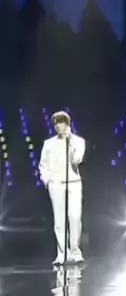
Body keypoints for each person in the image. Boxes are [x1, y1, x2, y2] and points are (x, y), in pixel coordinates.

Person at [38, 111, 86, 265]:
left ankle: (75, 252)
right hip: (56, 184)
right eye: (56, 123)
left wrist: (70, 140)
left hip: (74, 183)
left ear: (67, 124)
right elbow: (42, 165)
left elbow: (77, 159)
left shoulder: (78, 141)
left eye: (61, 122)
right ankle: (62, 254)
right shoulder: (48, 144)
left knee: (75, 218)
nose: (58, 126)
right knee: (59, 221)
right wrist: (47, 181)